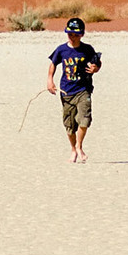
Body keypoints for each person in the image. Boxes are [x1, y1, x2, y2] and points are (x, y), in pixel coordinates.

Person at [45, 16, 101, 162]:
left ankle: (79, 146)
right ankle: (73, 148)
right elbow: (53, 64)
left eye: (76, 35)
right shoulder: (61, 50)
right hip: (66, 92)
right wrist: (50, 80)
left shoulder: (87, 49)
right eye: (70, 34)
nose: (73, 37)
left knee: (85, 119)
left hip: (83, 90)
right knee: (69, 126)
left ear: (82, 34)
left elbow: (97, 64)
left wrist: (95, 68)